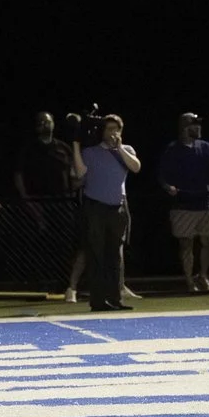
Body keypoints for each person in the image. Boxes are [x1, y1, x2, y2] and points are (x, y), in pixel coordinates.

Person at [68, 115, 138, 313]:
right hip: (96, 207)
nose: (112, 133)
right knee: (96, 254)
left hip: (118, 207)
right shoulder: (91, 152)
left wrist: (120, 148)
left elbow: (136, 167)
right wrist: (75, 144)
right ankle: (98, 300)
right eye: (109, 129)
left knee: (115, 256)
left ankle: (115, 298)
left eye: (116, 129)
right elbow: (80, 174)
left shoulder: (127, 150)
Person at [158, 112, 209, 292]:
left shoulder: (205, 146)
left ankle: (203, 275)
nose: (198, 128)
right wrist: (168, 187)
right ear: (185, 127)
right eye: (195, 125)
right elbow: (162, 176)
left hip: (205, 202)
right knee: (186, 243)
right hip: (183, 204)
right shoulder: (172, 149)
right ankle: (189, 280)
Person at [14, 111, 76, 294]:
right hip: (38, 203)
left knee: (65, 244)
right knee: (41, 245)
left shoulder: (64, 148)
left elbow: (73, 174)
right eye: (40, 122)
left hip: (63, 203)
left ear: (53, 124)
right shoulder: (28, 149)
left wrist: (73, 193)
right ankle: (41, 282)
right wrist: (27, 200)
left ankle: (65, 283)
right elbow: (18, 176)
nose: (44, 125)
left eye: (47, 121)